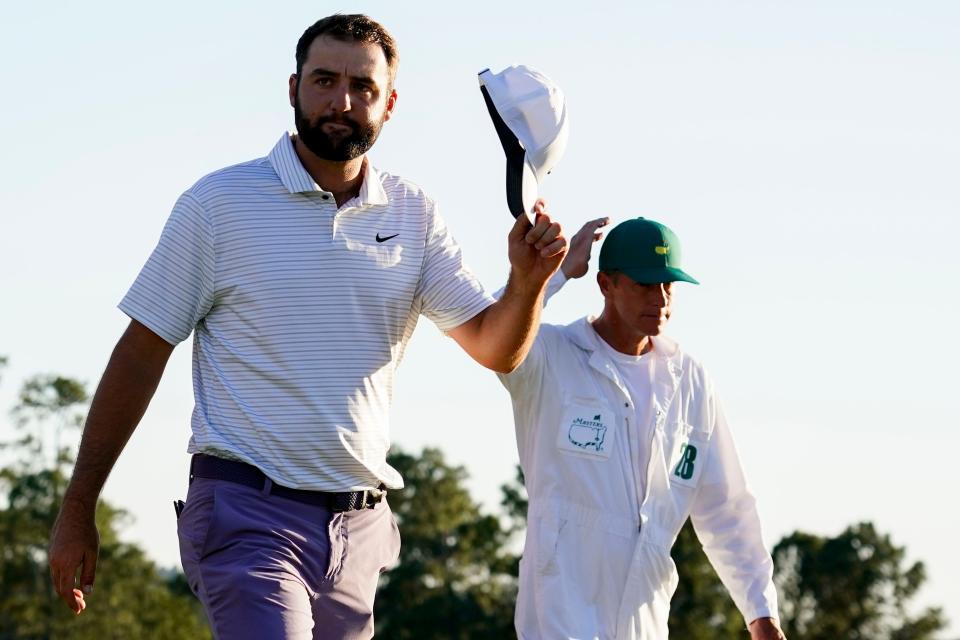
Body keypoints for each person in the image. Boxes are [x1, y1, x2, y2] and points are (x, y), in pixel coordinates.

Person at [48, 14, 567, 639]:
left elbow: (496, 349)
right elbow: (139, 353)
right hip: (246, 513)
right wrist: (79, 505)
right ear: (293, 88)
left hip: (361, 532)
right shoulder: (219, 205)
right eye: (324, 81)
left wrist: (528, 282)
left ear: (390, 103)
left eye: (362, 87)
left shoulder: (416, 213)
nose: (341, 102)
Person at [498, 217, 787, 640]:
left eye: (669, 286)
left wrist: (761, 612)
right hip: (559, 616)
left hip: (645, 620)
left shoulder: (689, 379)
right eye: (645, 285)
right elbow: (486, 324)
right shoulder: (549, 356)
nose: (661, 298)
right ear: (605, 284)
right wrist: (555, 273)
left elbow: (727, 509)